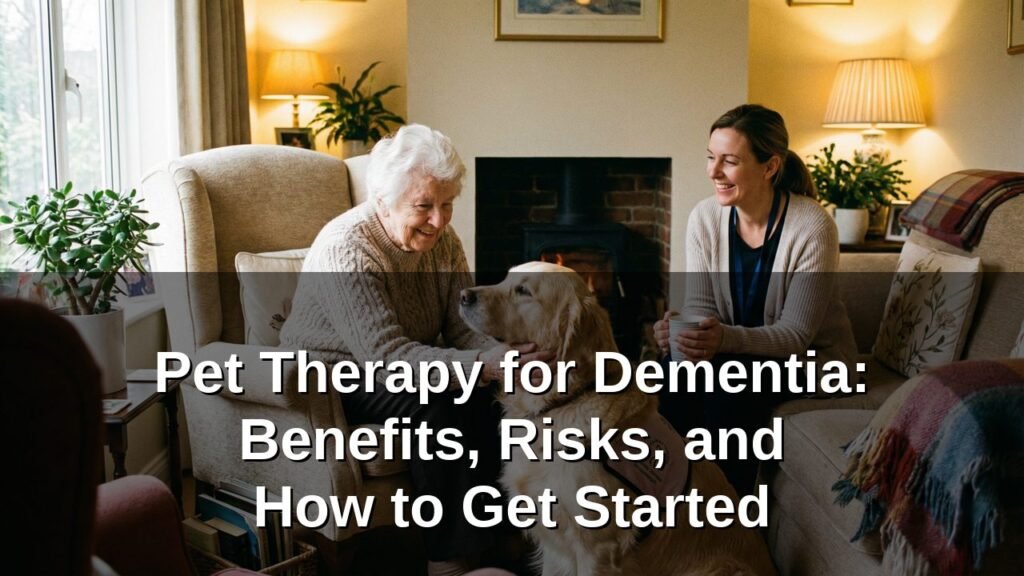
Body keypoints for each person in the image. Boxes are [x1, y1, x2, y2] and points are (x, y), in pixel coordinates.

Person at [281, 124, 548, 576]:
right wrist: (482, 364)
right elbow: (386, 359)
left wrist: (509, 361)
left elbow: (462, 330)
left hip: (408, 359)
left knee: (490, 397)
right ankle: (446, 558)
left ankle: (504, 535)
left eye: (447, 205)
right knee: (438, 401)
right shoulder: (347, 248)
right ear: (383, 201)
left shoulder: (442, 240)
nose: (439, 221)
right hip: (334, 376)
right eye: (424, 206)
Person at [654, 104, 857, 494]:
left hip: (814, 362)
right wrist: (684, 335)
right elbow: (701, 309)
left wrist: (723, 340)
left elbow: (796, 336)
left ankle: (730, 516)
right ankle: (669, 504)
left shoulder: (813, 226)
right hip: (737, 354)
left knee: (731, 386)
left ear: (769, 167)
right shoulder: (704, 218)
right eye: (711, 158)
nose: (714, 172)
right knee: (672, 370)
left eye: (730, 161)